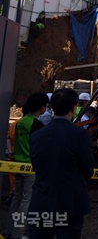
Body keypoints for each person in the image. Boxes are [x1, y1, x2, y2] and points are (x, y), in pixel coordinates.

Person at [27, 88, 95, 238]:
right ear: (74, 108)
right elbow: (88, 168)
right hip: (70, 204)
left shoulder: (37, 135)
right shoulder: (79, 135)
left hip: (41, 202)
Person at [3, 92, 49, 239]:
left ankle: (8, 230)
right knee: (26, 201)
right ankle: (18, 234)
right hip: (30, 166)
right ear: (42, 108)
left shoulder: (20, 123)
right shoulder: (37, 125)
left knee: (16, 199)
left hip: (17, 165)